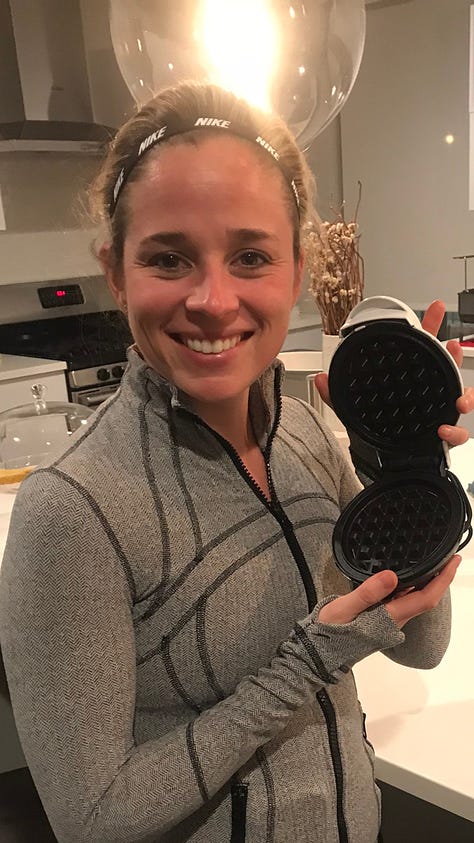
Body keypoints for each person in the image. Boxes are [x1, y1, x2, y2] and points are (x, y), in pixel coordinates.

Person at [0, 81, 472, 843]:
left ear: (297, 270)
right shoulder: (75, 513)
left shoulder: (310, 432)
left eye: (250, 254)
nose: (214, 300)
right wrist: (306, 662)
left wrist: (408, 468)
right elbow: (90, 819)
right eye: (168, 258)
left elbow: (422, 644)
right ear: (115, 272)